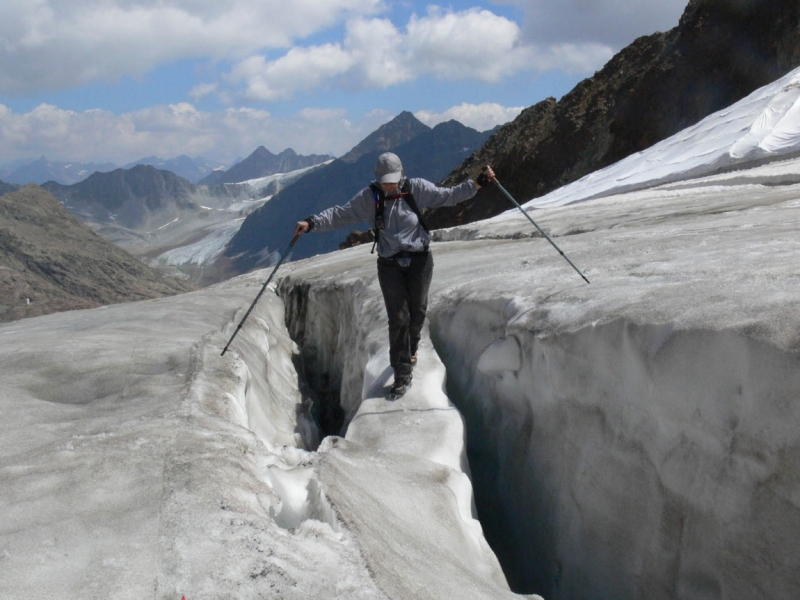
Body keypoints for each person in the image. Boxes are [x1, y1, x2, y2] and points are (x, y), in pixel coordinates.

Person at [294, 152, 495, 397]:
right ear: (377, 179)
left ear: (401, 174)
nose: (389, 184)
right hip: (389, 264)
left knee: (417, 311)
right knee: (398, 317)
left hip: (419, 260)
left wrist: (476, 184)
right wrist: (312, 222)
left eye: (393, 179)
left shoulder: (416, 188)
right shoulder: (369, 197)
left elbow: (448, 196)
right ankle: (402, 372)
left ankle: (412, 346)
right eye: (385, 180)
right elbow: (341, 214)